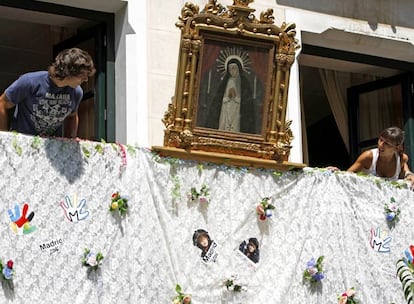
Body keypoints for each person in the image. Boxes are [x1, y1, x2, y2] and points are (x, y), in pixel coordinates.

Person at [0, 47, 95, 138]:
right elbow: (2, 103)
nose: (86, 79)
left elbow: (72, 116)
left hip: (51, 148)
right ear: (69, 71)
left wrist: (69, 143)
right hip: (22, 143)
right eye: (83, 75)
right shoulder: (30, 82)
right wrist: (4, 139)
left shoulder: (76, 92)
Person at [340, 126, 414, 185]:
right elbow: (345, 176)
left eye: (387, 143)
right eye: (381, 140)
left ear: (397, 148)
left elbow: (405, 171)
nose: (381, 145)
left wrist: (409, 175)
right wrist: (336, 173)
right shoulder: (368, 156)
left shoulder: (402, 159)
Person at [205, 58, 256, 134]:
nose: (232, 71)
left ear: (239, 68)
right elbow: (219, 99)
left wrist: (235, 97)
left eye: (234, 68)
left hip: (237, 110)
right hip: (225, 109)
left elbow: (246, 102)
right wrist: (227, 98)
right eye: (230, 69)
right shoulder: (226, 81)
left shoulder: (244, 82)